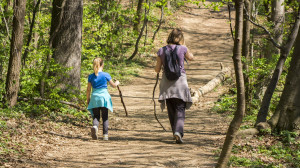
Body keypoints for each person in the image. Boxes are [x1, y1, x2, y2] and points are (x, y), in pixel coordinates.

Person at [155, 28, 195, 144]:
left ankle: (175, 132)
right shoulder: (183, 48)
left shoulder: (161, 50)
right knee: (180, 108)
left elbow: (157, 69)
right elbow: (191, 58)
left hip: (167, 84)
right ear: (179, 38)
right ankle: (178, 131)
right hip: (180, 83)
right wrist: (185, 45)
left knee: (171, 108)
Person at [87, 58, 120, 140]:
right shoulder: (106, 75)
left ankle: (95, 126)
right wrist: (117, 82)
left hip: (95, 98)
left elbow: (88, 89)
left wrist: (88, 99)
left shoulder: (91, 76)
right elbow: (113, 85)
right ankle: (105, 136)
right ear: (102, 65)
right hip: (104, 98)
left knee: (96, 116)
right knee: (105, 116)